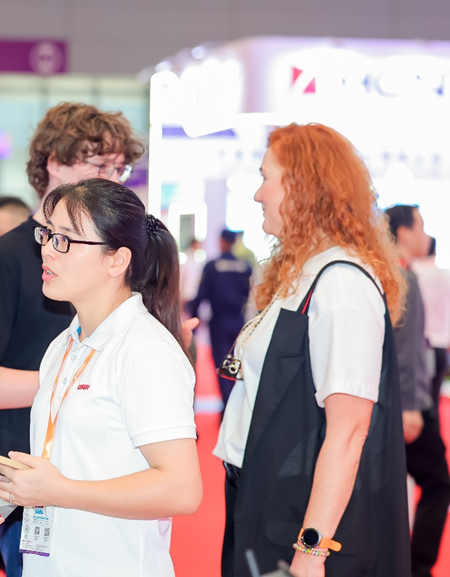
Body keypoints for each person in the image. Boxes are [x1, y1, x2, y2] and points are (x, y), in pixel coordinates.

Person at [0, 178, 202, 577]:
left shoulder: (145, 350)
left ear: (117, 260)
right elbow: (73, 459)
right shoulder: (65, 343)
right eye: (47, 234)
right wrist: (12, 488)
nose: (46, 249)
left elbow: (182, 490)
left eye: (65, 240)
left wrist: (59, 491)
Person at [0, 102, 145, 577]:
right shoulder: (6, 257)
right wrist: (79, 380)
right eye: (101, 165)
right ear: (55, 163)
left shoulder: (120, 250)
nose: (114, 179)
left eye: (121, 168)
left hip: (113, 484)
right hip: (32, 488)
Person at [216, 123, 410, 577]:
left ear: (303, 186)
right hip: (266, 497)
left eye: (266, 178)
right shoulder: (306, 272)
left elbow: (350, 428)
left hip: (297, 518)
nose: (258, 194)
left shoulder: (341, 282)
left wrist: (312, 549)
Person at [386, 206, 450, 577]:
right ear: (404, 232)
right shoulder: (401, 276)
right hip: (406, 400)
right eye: (421, 226)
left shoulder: (393, 272)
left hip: (399, 395)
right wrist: (410, 405)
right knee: (438, 482)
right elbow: (405, 348)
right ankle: (417, 567)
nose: (426, 234)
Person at [187, 229, 252, 405]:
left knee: (220, 363)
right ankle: (233, 404)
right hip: (238, 322)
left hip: (219, 324)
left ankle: (227, 402)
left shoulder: (212, 266)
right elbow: (250, 294)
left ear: (222, 241)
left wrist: (194, 319)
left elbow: (202, 294)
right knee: (233, 364)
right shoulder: (245, 266)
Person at [412, 236, 450, 413]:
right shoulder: (445, 276)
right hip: (440, 346)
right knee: (433, 405)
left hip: (418, 346)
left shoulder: (413, 272)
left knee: (415, 406)